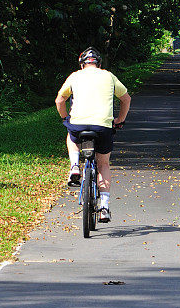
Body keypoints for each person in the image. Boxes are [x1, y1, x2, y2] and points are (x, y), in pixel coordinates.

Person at [55, 47, 130, 223]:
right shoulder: (109, 76)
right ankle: (104, 207)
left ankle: (74, 166)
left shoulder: (74, 76)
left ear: (82, 65)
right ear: (99, 64)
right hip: (103, 126)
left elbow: (60, 100)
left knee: (71, 135)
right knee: (103, 164)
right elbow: (126, 99)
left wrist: (66, 118)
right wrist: (119, 119)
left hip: (78, 123)